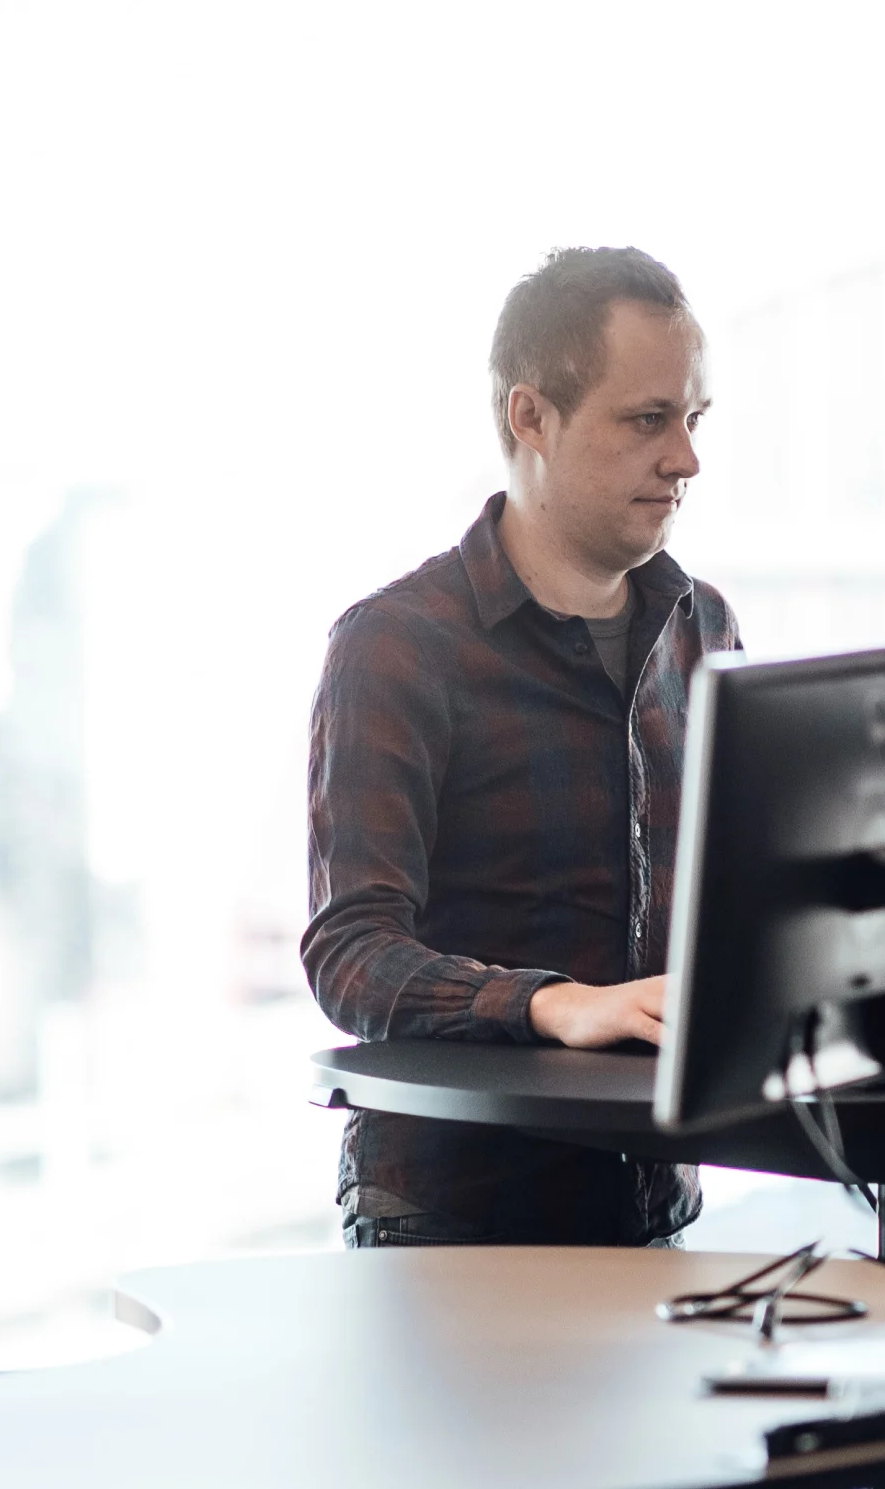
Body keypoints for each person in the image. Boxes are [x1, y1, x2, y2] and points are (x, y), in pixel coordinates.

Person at [300, 246, 732, 1247]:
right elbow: (351, 955)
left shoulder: (701, 626)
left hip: (657, 1211)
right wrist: (553, 1005)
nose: (686, 459)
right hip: (458, 1226)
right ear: (530, 418)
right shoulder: (398, 645)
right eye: (646, 421)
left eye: (694, 419)